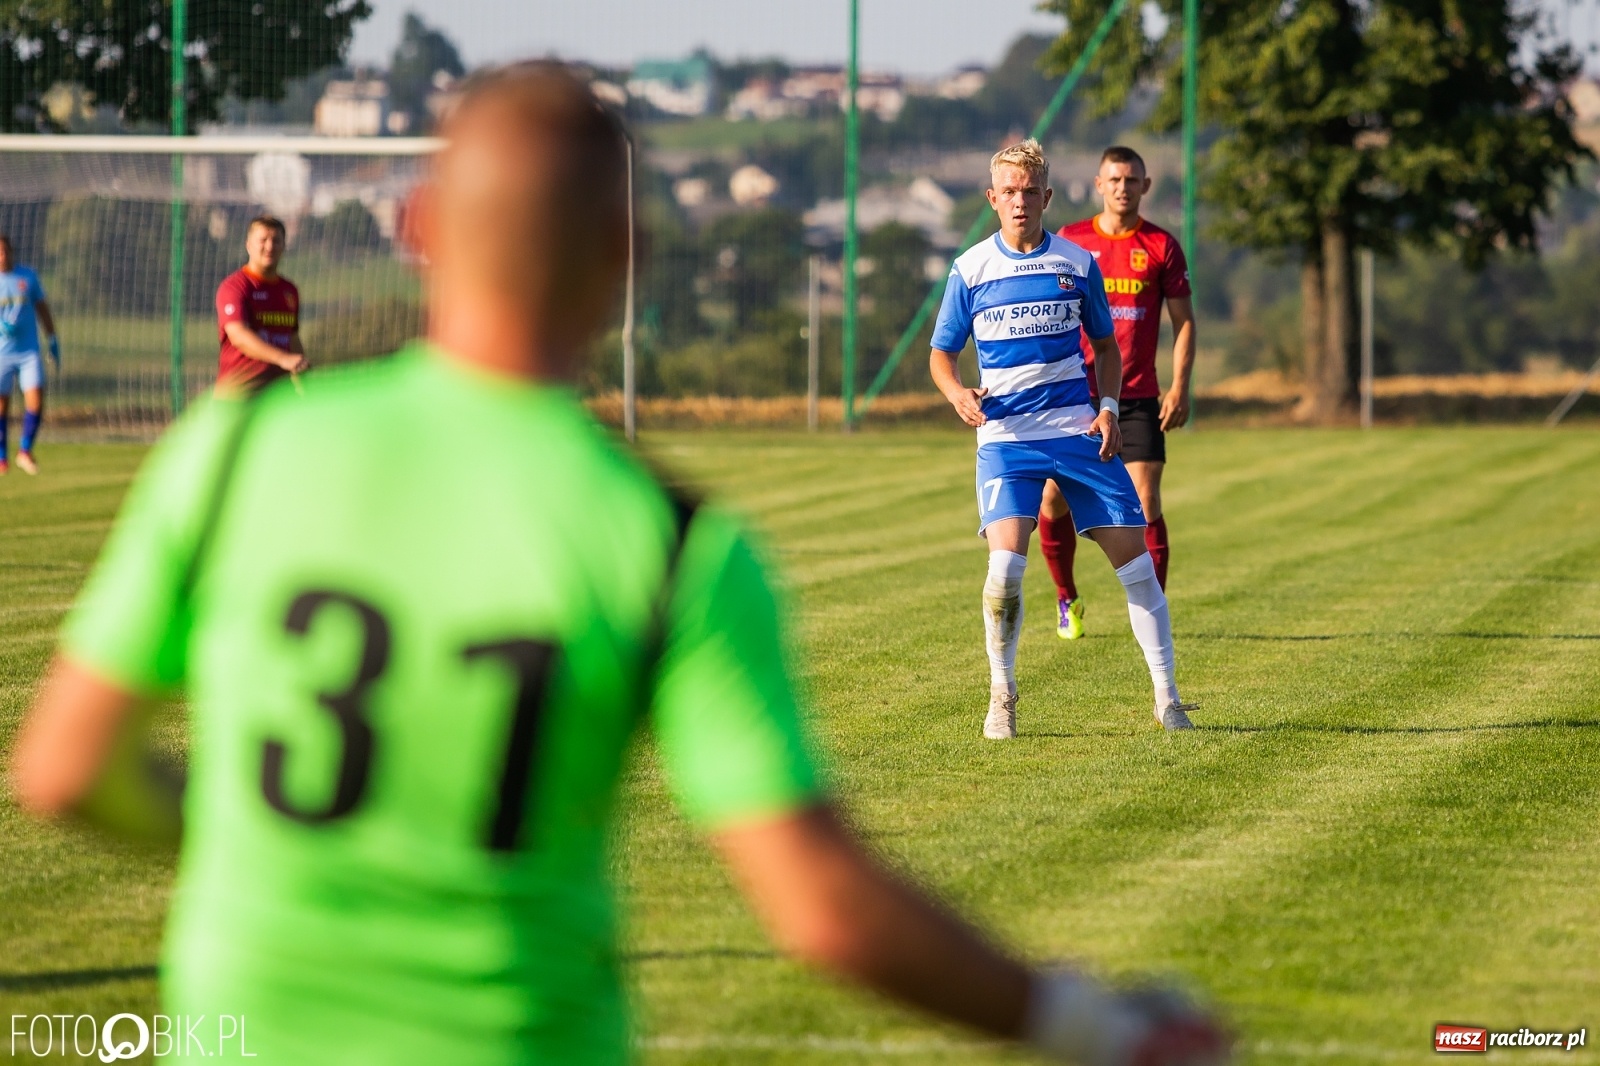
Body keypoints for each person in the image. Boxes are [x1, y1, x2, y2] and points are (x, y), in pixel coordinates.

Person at [8, 68, 1227, 1066]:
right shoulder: (671, 542)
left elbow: (63, 768)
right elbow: (818, 905)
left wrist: (268, 842)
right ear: (624, 251)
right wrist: (1094, 1026)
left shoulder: (230, 454)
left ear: (422, 230)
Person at [929, 139, 1200, 737]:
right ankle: (1002, 695)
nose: (1020, 202)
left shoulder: (1077, 264)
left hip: (1079, 432)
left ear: (1047, 196)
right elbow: (941, 356)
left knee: (1137, 569)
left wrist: (1106, 407)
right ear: (992, 199)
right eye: (1009, 193)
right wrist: (956, 394)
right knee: (1004, 569)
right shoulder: (970, 269)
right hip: (1005, 440)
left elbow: (1105, 348)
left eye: (1031, 192)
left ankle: (1169, 698)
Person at [1042, 146, 1196, 640]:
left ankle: (1154, 613)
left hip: (1136, 397)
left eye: (1132, 180)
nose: (1123, 187)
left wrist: (1180, 386)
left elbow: (1185, 322)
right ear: (1098, 184)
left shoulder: (1161, 246)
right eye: (1114, 179)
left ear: (1145, 186)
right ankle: (1067, 597)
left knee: (1146, 501)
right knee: (1052, 501)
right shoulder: (1072, 241)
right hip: (1074, 395)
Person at [215, 215, 308, 393]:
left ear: (284, 246)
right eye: (263, 240)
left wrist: (301, 376)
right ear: (249, 245)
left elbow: (292, 338)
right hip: (239, 394)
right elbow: (239, 336)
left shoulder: (289, 291)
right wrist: (283, 358)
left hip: (278, 396)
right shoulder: (235, 287)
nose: (270, 246)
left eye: (276, 240)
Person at [0, 234, 62, 475]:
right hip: (2, 354)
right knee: (2, 406)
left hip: (28, 352)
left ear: (11, 251)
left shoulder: (28, 277)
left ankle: (24, 451)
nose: (2, 256)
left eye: (4, 251)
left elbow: (42, 308)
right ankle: (2, 456)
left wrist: (53, 338)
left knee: (36, 399)